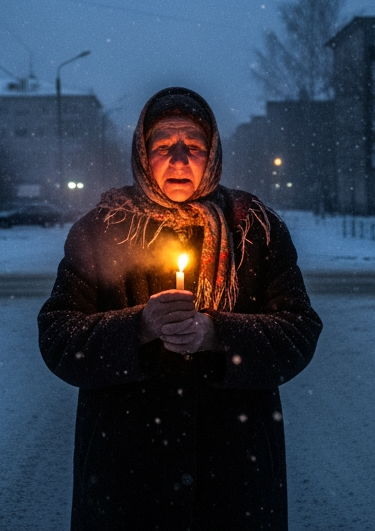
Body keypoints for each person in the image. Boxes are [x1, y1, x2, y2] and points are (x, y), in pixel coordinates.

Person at [39, 87, 322, 531]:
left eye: (192, 145)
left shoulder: (254, 228)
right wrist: (139, 327)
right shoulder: (101, 229)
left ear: (212, 155)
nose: (178, 158)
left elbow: (299, 332)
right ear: (140, 153)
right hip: (126, 479)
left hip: (236, 480)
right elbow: (58, 337)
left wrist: (218, 335)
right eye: (161, 145)